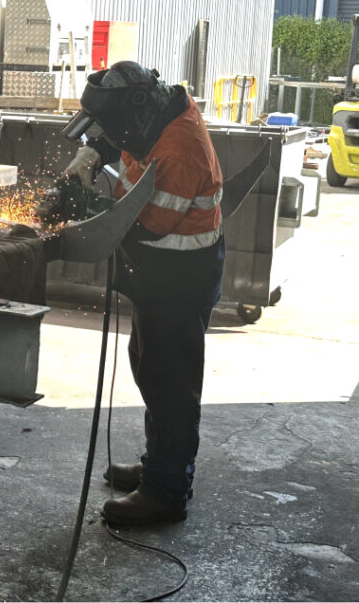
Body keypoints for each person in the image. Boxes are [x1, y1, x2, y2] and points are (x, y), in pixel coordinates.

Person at [60, 61, 225, 526]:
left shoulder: (179, 152)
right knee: (149, 365)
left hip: (179, 273)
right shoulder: (158, 108)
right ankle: (160, 466)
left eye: (115, 128)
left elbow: (140, 224)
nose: (115, 136)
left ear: (135, 111)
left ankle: (166, 491)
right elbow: (121, 135)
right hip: (166, 270)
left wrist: (88, 206)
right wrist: (90, 154)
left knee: (171, 384)